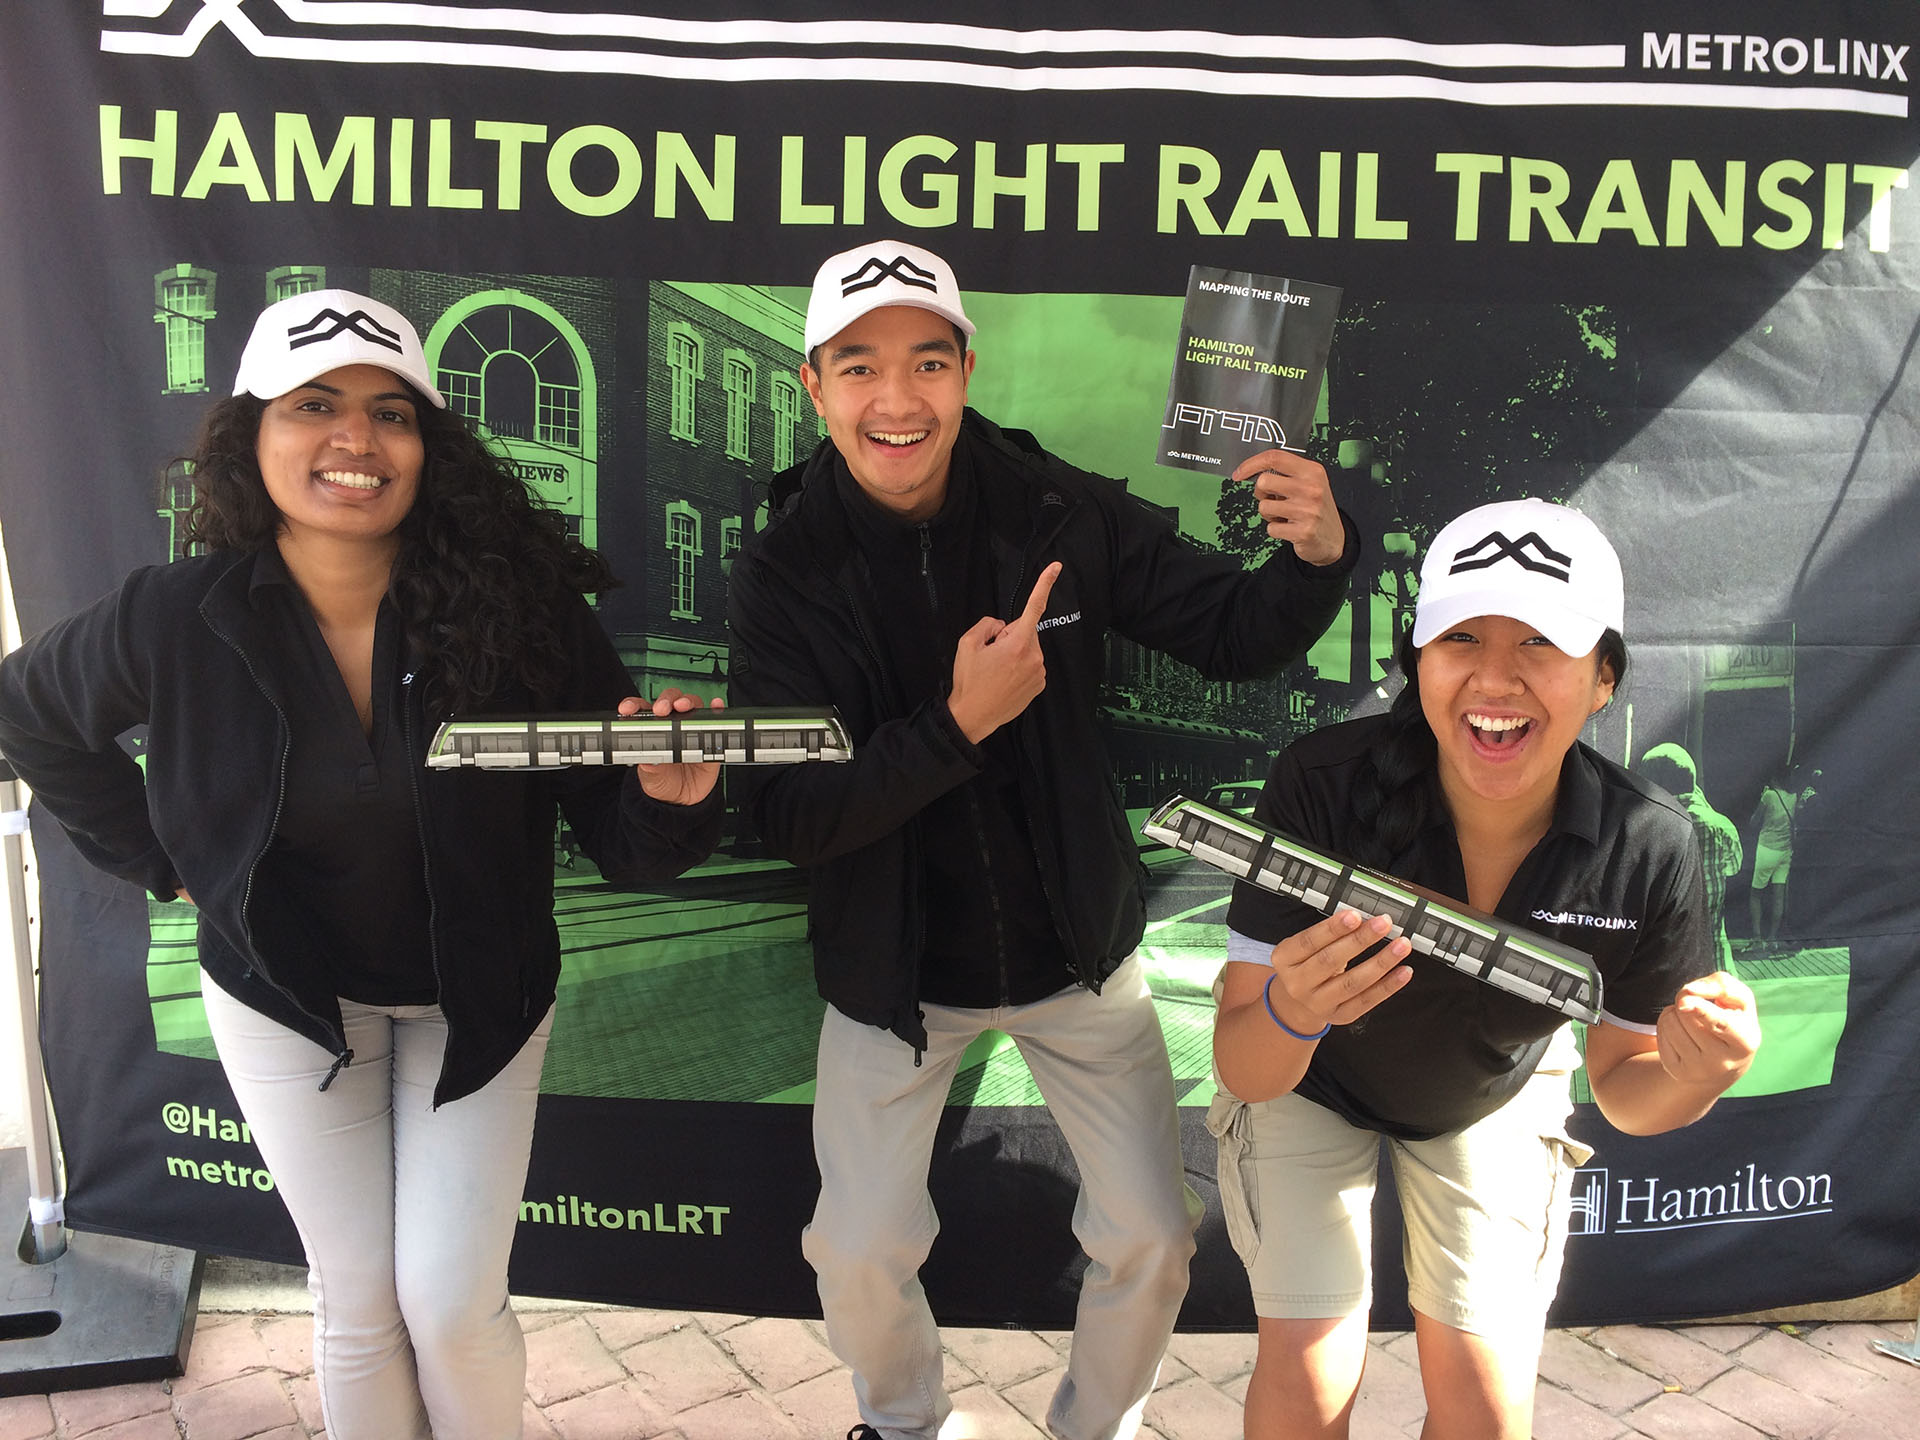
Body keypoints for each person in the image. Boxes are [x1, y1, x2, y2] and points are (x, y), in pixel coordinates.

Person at [0, 289, 724, 1440]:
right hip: (286, 1004)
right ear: (255, 435)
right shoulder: (175, 614)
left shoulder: (519, 611)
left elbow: (617, 830)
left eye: (392, 412)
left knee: (449, 1305)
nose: (355, 438)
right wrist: (155, 857)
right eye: (315, 405)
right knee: (358, 1301)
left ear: (428, 445)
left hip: (476, 1000)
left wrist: (670, 801)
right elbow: (29, 716)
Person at [726, 239, 1360, 1440]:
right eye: (859, 368)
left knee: (1153, 1242)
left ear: (967, 368)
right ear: (816, 388)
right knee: (856, 1253)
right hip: (893, 980)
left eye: (925, 362)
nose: (896, 400)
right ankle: (907, 1424)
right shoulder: (783, 568)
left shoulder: (1052, 510)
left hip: (1080, 960)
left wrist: (1318, 554)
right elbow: (789, 814)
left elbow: (1232, 633)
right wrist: (959, 726)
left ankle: (1093, 1428)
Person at [1211, 498, 1760, 1440]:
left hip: (1493, 1091)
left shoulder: (1647, 846)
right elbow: (1246, 1063)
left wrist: (1693, 1076)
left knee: (1488, 1409)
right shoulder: (1320, 782)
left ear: (1603, 680)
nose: (1495, 680)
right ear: (1417, 660)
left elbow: (1629, 1092)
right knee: (1309, 1385)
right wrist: (1296, 1008)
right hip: (1314, 1085)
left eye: (1540, 643)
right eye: (1461, 637)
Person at [1639, 742, 1743, 970]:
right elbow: (1734, 866)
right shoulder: (1719, 825)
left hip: (1660, 968)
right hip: (1714, 964)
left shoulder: (1643, 827)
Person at [1748, 764, 1810, 947]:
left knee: (1756, 893)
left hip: (1767, 848)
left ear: (1775, 778)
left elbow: (1754, 821)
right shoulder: (1793, 797)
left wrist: (1763, 796)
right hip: (1786, 851)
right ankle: (1773, 938)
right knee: (1778, 895)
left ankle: (1757, 937)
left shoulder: (1769, 796)